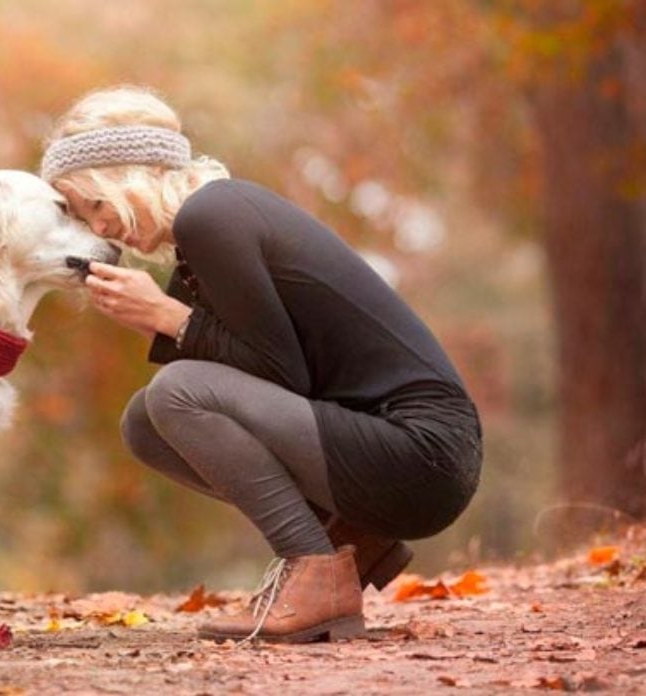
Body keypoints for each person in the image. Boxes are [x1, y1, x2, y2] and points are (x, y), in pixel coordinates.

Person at [39, 86, 482, 644]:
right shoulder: (206, 228)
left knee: (176, 391)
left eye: (96, 206)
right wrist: (164, 317)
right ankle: (346, 540)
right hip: (395, 452)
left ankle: (315, 567)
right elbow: (269, 373)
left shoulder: (212, 215)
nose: (99, 230)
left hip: (420, 454)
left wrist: (167, 316)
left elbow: (280, 374)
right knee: (145, 422)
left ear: (126, 176)